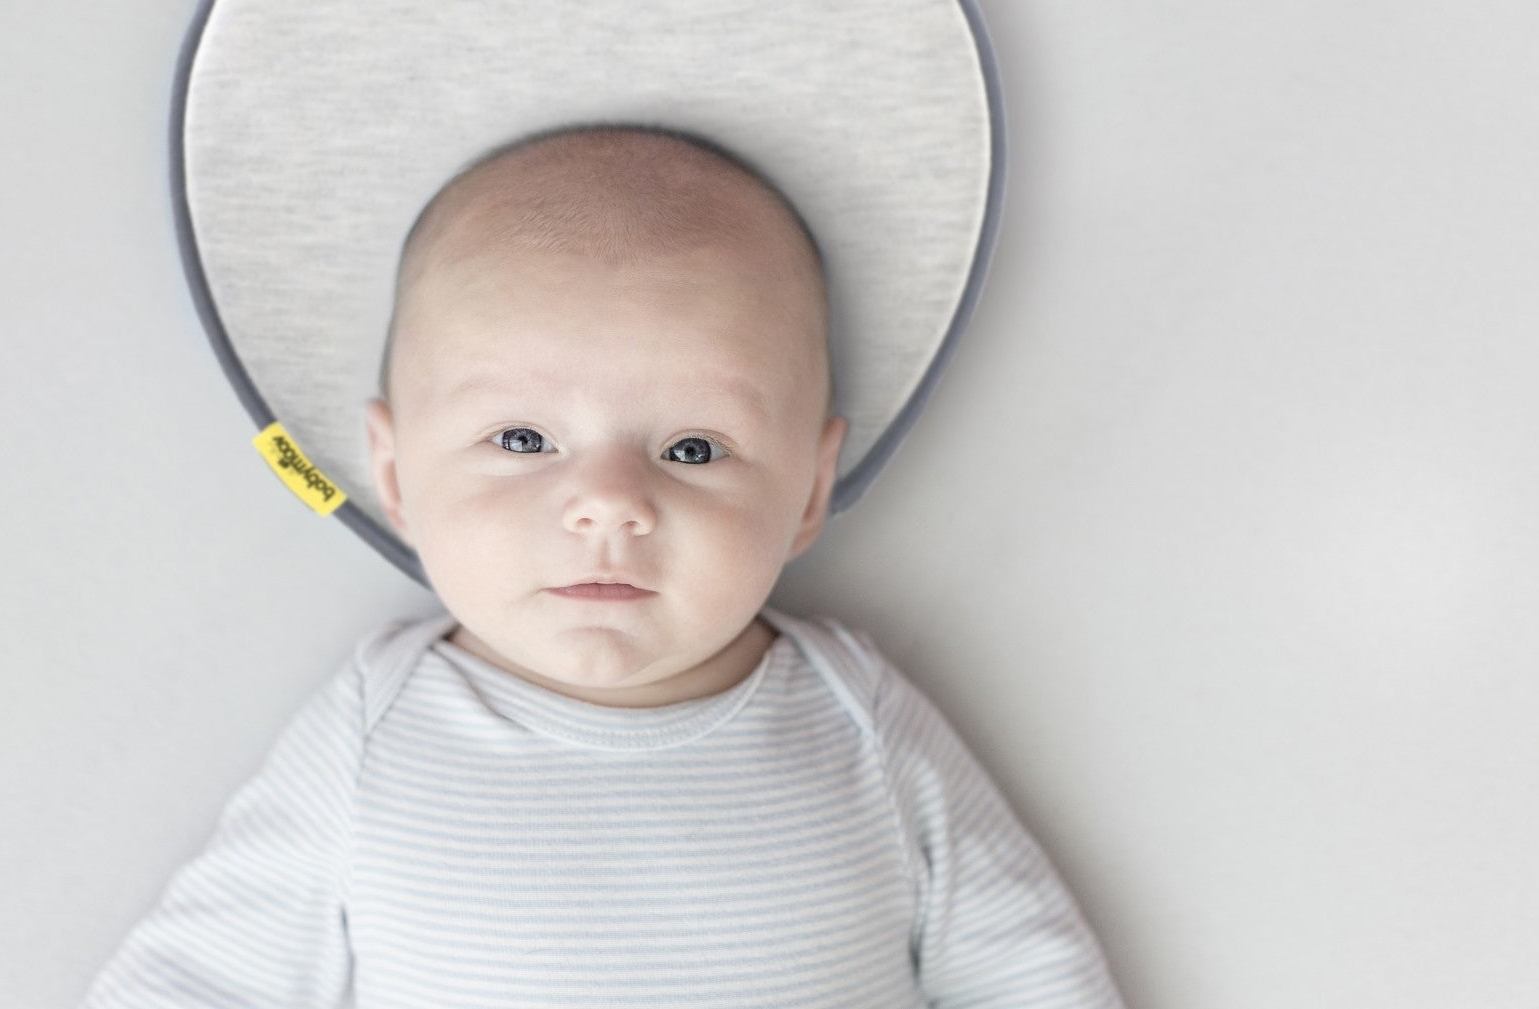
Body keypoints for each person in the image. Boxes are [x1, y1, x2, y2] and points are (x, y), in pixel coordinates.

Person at [80, 123, 1125, 1007]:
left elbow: (1030, 971)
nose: (611, 502)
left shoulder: (860, 723)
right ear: (395, 478)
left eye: (694, 449)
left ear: (809, 490)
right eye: (523, 439)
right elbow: (194, 983)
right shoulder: (372, 737)